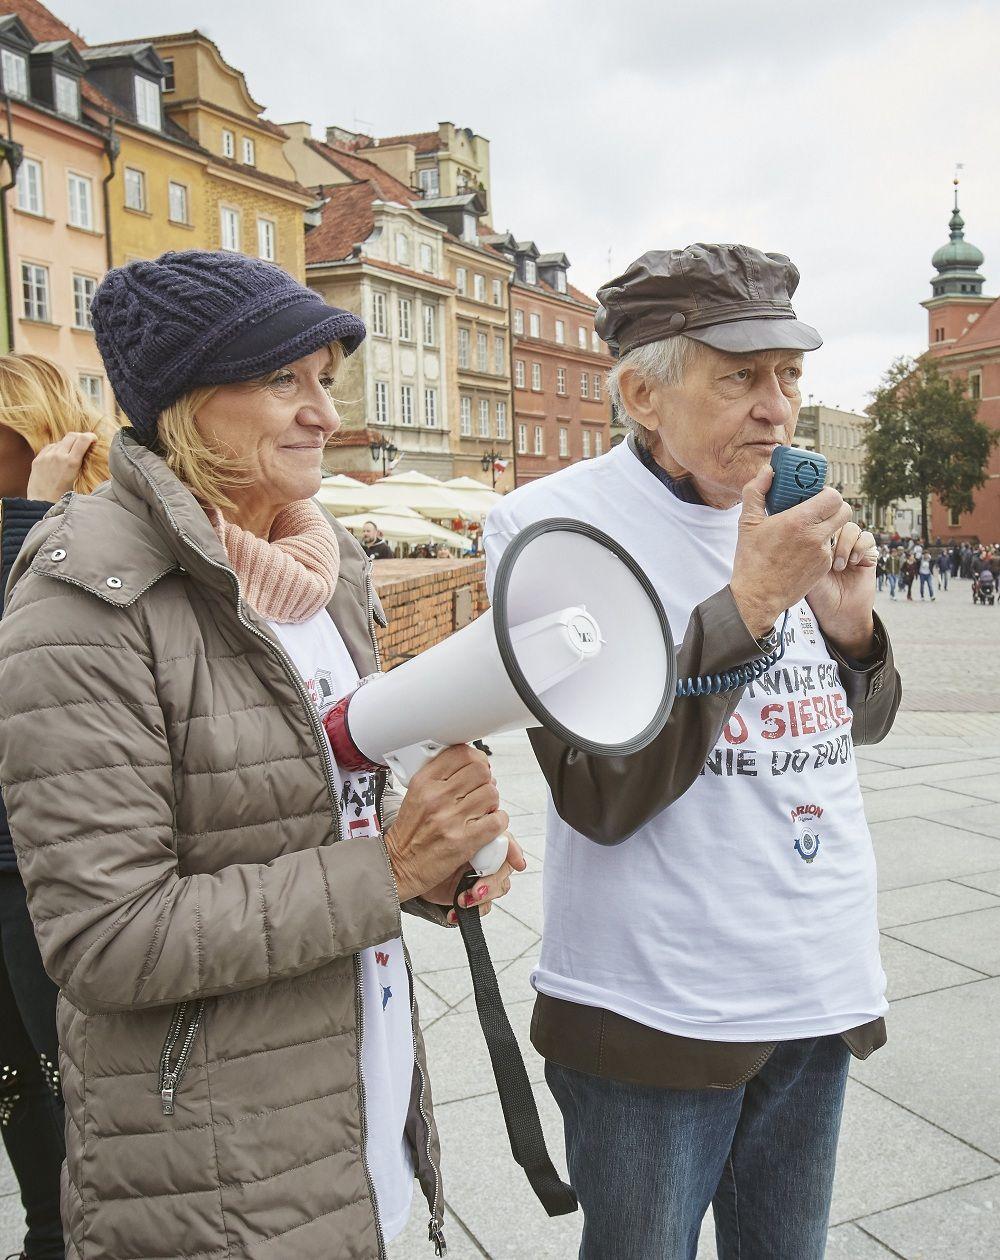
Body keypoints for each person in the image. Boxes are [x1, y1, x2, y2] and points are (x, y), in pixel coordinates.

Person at [0, 251, 524, 1260]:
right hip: (209, 1175)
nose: (324, 414)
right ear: (188, 402)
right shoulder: (84, 603)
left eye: (324, 381)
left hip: (349, 1119)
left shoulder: (323, 570)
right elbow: (106, 937)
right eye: (283, 380)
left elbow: (317, 826)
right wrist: (387, 869)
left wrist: (428, 867)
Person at [484, 244, 901, 1260]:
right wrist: (750, 603)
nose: (776, 408)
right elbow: (602, 793)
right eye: (738, 377)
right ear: (640, 393)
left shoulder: (791, 511)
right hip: (653, 1006)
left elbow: (860, 725)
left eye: (788, 375)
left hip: (813, 980)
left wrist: (850, 632)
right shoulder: (549, 527)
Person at [0, 354, 117, 1260]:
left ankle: (78, 1233)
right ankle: (48, 1231)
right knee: (12, 1085)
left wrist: (30, 516)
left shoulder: (84, 526)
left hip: (37, 864)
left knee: (67, 1073)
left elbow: (34, 653)